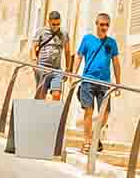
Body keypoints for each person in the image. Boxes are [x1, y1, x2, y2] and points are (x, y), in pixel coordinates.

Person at [74, 13, 121, 153]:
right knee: (89, 111)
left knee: (105, 113)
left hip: (104, 83)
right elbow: (79, 56)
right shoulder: (87, 39)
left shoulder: (111, 43)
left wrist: (118, 83)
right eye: (101, 25)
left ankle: (94, 135)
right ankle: (87, 141)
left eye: (107, 25)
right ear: (96, 24)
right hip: (88, 80)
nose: (104, 28)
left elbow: (116, 64)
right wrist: (73, 75)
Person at [31, 10, 67, 99]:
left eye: (58, 24)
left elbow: (68, 51)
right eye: (53, 24)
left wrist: (68, 69)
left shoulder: (63, 34)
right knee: (41, 95)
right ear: (49, 21)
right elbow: (33, 47)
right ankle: (37, 112)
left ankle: (54, 113)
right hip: (42, 68)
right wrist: (34, 62)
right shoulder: (41, 31)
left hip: (56, 70)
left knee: (56, 94)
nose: (56, 27)